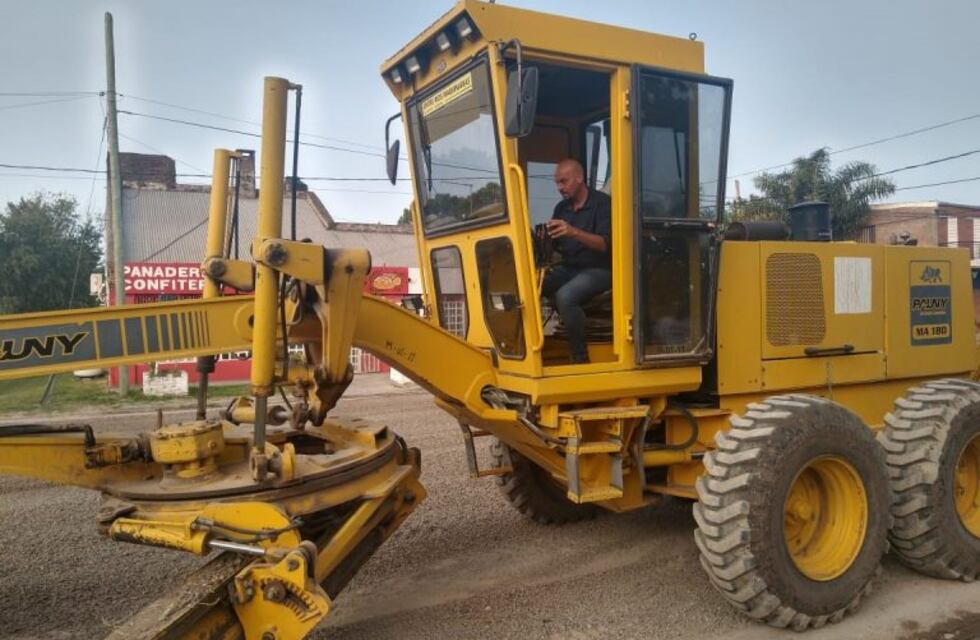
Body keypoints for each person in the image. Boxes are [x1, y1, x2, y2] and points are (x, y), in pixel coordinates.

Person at [541, 158, 612, 364]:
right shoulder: (561, 208)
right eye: (557, 183)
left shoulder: (603, 204)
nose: (559, 188)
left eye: (564, 181)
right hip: (569, 267)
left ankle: (579, 358)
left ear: (579, 178)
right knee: (532, 286)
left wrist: (573, 232)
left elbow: (605, 244)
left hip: (600, 269)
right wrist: (543, 239)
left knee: (566, 296)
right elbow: (555, 245)